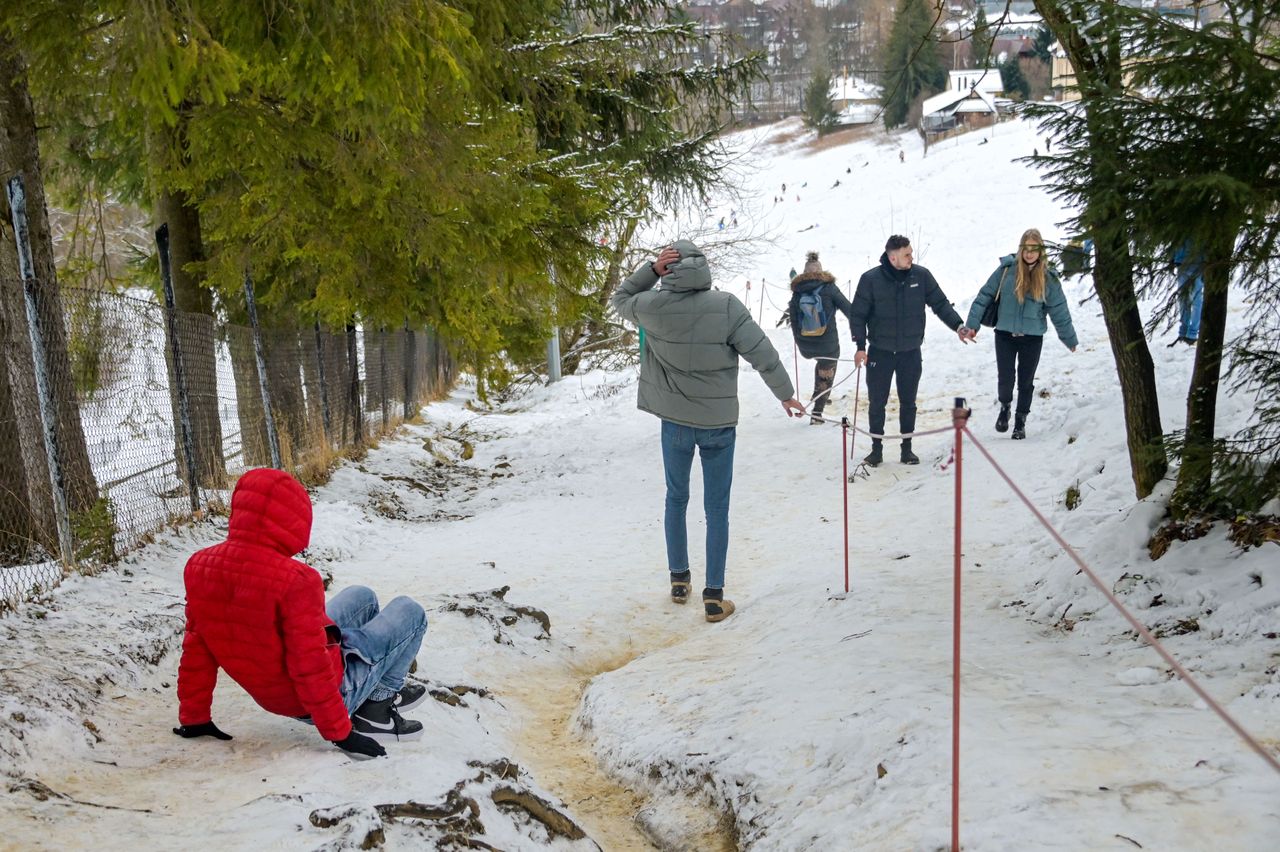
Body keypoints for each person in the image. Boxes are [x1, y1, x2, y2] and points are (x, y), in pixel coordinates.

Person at [174, 468, 428, 759]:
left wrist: (194, 717)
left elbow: (198, 648)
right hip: (311, 700)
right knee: (411, 612)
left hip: (274, 694)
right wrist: (340, 733)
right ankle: (376, 707)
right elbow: (309, 665)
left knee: (363, 596)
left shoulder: (199, 566)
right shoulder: (296, 579)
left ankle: (367, 671)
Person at [611, 240, 805, 623]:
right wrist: (785, 395)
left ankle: (679, 580)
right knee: (717, 508)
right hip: (718, 424)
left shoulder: (652, 308)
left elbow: (621, 297)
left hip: (675, 422)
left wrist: (651, 269)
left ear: (670, 269)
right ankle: (714, 597)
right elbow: (763, 354)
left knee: (676, 498)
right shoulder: (727, 306)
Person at [850, 235, 974, 466]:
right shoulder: (870, 280)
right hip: (880, 352)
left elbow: (940, 303)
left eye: (911, 253)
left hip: (910, 352)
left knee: (909, 402)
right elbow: (857, 315)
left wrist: (958, 326)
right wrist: (860, 346)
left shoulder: (921, 276)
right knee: (878, 402)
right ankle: (876, 450)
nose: (911, 257)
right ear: (892, 256)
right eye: (907, 254)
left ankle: (907, 449)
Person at [963, 228, 1077, 440]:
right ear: (1021, 249)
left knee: (1026, 381)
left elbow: (1060, 311)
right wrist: (972, 325)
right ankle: (1005, 407)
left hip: (1032, 338)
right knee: (1005, 379)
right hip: (1004, 335)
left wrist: (1069, 338)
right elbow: (984, 296)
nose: (1029, 253)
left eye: (1034, 249)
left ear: (1040, 251)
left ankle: (1020, 421)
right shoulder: (1007, 271)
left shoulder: (1048, 279)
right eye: (1026, 248)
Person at [788, 251, 853, 424]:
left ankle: (821, 396)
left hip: (806, 346)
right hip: (828, 346)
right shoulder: (829, 288)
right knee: (826, 373)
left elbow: (793, 320)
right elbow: (850, 311)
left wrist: (800, 342)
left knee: (822, 366)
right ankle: (817, 412)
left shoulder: (797, 292)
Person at [1170, 239, 1204, 345]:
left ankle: (1192, 333)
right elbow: (1175, 241)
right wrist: (1172, 258)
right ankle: (1183, 332)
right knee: (1183, 300)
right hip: (1181, 264)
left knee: (1196, 300)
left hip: (1197, 265)